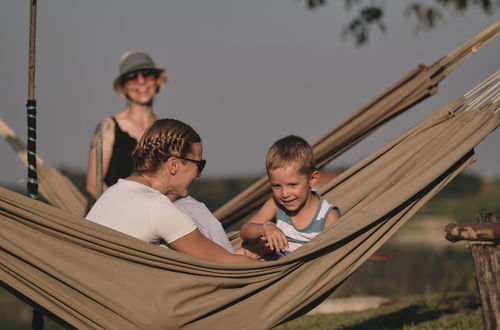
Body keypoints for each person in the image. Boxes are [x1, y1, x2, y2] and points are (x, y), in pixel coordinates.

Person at [86, 119, 255, 263]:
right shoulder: (158, 209)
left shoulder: (113, 192)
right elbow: (227, 263)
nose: (199, 174)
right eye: (199, 165)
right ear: (173, 165)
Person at [240, 135, 341, 258]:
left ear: (312, 179)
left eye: (292, 185)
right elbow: (245, 231)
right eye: (277, 186)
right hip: (277, 271)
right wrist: (264, 228)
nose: (284, 194)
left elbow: (335, 256)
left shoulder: (327, 216)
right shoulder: (276, 205)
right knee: (242, 253)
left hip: (310, 272)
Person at [86, 50, 167, 199]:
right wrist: (125, 214)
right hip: (109, 216)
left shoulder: (167, 130)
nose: (141, 81)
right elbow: (94, 185)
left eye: (147, 74)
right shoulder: (107, 127)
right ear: (123, 86)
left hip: (153, 218)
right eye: (132, 77)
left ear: (157, 80)